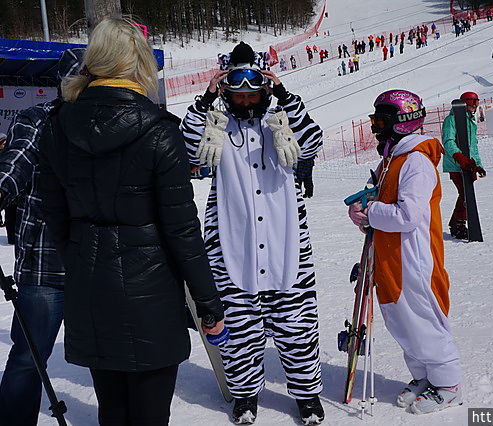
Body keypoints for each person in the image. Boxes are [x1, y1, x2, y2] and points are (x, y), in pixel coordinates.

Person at [38, 18, 226, 426]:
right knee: (150, 413)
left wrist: (81, 259)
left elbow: (53, 214)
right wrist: (209, 303)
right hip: (150, 291)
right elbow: (182, 230)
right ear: (138, 62)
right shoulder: (158, 130)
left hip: (90, 285)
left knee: (114, 411)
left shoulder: (57, 124)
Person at [179, 41, 324, 425]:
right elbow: (186, 148)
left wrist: (286, 97)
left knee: (298, 327)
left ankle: (307, 395)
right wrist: (205, 98)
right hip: (233, 245)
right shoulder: (217, 128)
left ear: (264, 90)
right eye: (237, 94)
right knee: (241, 332)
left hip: (285, 243)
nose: (246, 101)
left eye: (253, 94)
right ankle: (244, 395)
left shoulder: (282, 122)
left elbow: (313, 143)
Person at [347, 89, 462, 415]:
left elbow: (407, 216)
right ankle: (425, 377)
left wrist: (371, 212)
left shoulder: (416, 163)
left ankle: (449, 384)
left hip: (414, 259)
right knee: (402, 322)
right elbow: (381, 208)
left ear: (402, 124)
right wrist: (362, 213)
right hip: (390, 257)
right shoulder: (391, 161)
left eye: (380, 121)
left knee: (422, 321)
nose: (375, 128)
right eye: (374, 120)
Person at [0, 48, 83, 426]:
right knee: (28, 358)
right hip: (43, 268)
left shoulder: (111, 124)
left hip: (97, 267)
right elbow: (16, 162)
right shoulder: (38, 120)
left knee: (109, 361)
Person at [441, 91, 486, 239]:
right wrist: (459, 157)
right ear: (464, 103)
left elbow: (473, 146)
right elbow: (448, 141)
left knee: (467, 194)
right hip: (456, 164)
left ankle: (457, 223)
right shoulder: (451, 120)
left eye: (476, 103)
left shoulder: (470, 122)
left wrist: (478, 165)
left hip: (467, 164)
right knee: (465, 193)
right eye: (472, 103)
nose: (474, 106)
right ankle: (458, 224)